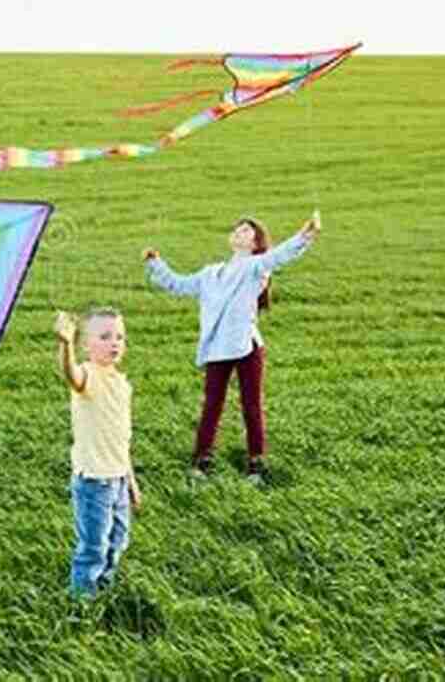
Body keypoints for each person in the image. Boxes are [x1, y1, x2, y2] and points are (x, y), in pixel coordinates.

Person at [143, 211, 321, 484]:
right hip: (217, 346)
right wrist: (156, 263)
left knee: (251, 405)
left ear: (255, 243)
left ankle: (256, 464)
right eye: (237, 229)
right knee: (211, 405)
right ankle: (202, 461)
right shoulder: (209, 274)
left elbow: (280, 255)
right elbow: (178, 284)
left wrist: (305, 235)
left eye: (247, 230)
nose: (239, 231)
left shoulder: (254, 266)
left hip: (246, 346)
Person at [54, 307, 142, 599]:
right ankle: (83, 601)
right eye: (104, 337)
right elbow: (71, 375)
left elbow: (121, 439)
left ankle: (105, 587)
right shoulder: (89, 375)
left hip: (117, 479)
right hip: (94, 482)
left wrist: (131, 481)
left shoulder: (121, 383)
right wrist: (65, 344)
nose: (114, 342)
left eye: (119, 337)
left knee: (118, 539)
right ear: (86, 345)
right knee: (93, 547)